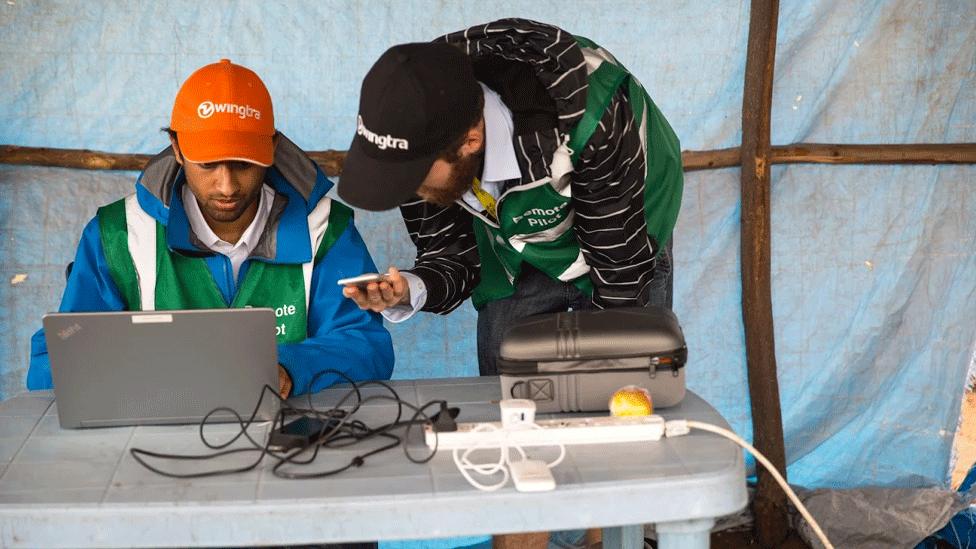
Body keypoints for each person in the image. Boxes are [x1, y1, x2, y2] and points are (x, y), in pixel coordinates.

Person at [27, 59, 394, 398]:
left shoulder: (326, 228)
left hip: (294, 442)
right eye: (208, 165)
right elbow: (59, 358)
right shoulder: (117, 236)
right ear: (177, 148)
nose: (227, 186)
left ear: (272, 148)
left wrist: (289, 366)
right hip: (153, 441)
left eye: (244, 165)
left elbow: (366, 344)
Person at [337, 18, 683, 376]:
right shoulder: (416, 123)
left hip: (625, 228)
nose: (405, 189)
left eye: (411, 176)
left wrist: (616, 371)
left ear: (470, 141)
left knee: (625, 382)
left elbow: (619, 268)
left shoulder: (591, 118)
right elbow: (453, 253)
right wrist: (409, 288)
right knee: (506, 394)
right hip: (516, 241)